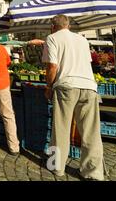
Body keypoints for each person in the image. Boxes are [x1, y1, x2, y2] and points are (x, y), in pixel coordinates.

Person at [42, 14, 104, 180]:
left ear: (53, 26)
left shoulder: (52, 38)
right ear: (68, 25)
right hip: (89, 85)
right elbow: (87, 62)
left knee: (61, 128)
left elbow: (52, 66)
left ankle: (57, 167)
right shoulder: (82, 40)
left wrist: (48, 86)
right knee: (91, 131)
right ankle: (93, 172)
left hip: (67, 86)